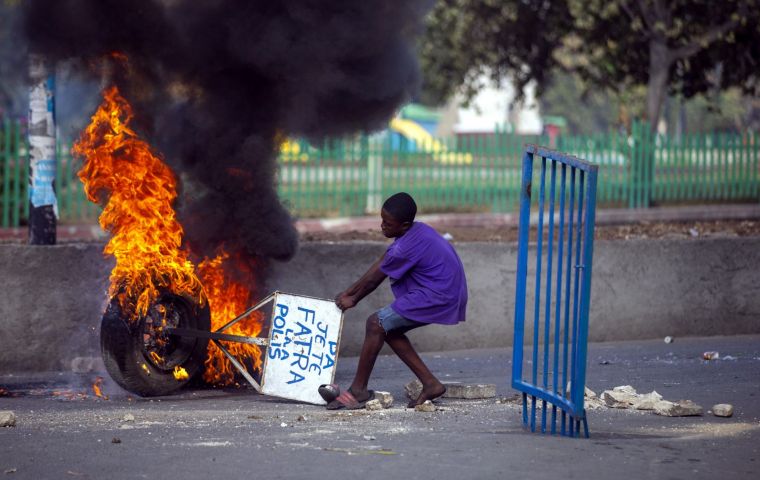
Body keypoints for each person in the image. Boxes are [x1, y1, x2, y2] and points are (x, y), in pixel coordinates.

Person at [325, 192, 468, 409]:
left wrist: (351, 299)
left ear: (404, 225)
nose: (382, 226)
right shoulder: (415, 232)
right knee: (389, 330)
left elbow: (375, 279)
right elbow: (383, 262)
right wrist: (349, 292)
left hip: (438, 294)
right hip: (444, 290)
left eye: (388, 223)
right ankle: (431, 384)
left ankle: (358, 390)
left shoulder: (406, 245)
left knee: (376, 323)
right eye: (382, 220)